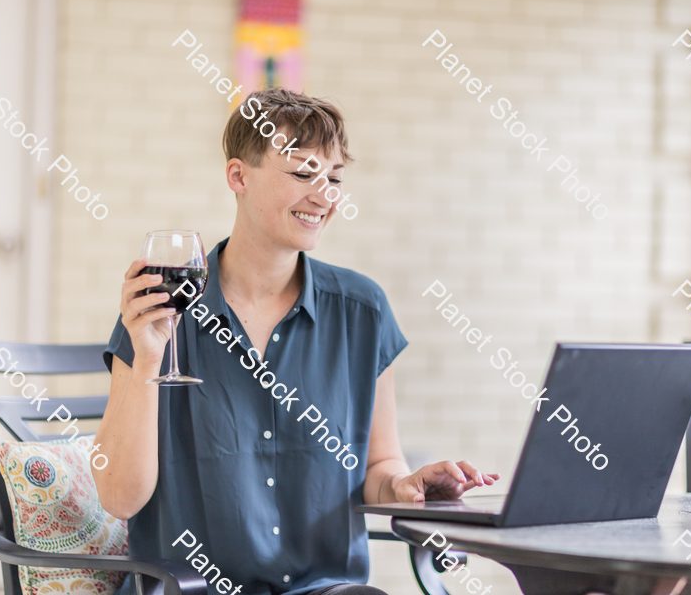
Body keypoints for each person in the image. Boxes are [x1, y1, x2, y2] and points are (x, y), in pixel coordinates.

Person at [93, 88, 499, 595]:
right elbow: (118, 498)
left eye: (334, 179)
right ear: (238, 176)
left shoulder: (362, 310)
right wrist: (151, 352)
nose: (324, 195)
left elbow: (378, 465)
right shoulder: (158, 313)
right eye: (304, 174)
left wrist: (404, 485)